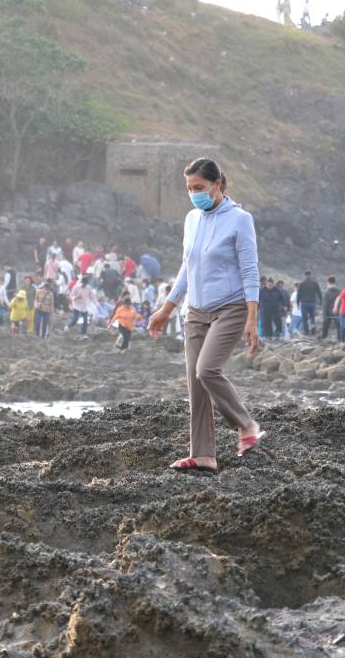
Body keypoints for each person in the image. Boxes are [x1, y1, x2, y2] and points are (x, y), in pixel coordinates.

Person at [149, 157, 262, 474]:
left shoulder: (240, 220)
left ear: (218, 185)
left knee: (207, 370)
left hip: (232, 307)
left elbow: (250, 271)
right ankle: (203, 455)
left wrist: (252, 318)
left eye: (199, 187)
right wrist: (166, 308)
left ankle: (246, 425)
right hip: (195, 311)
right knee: (195, 385)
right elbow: (188, 267)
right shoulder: (191, 219)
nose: (194, 194)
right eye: (189, 188)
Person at [297, 271, 321, 335]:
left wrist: (297, 303)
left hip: (304, 303)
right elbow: (319, 293)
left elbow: (298, 295)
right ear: (310, 275)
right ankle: (312, 326)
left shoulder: (301, 284)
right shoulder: (315, 283)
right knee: (312, 316)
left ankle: (306, 332)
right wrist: (321, 302)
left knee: (304, 319)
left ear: (304, 275)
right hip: (312, 303)